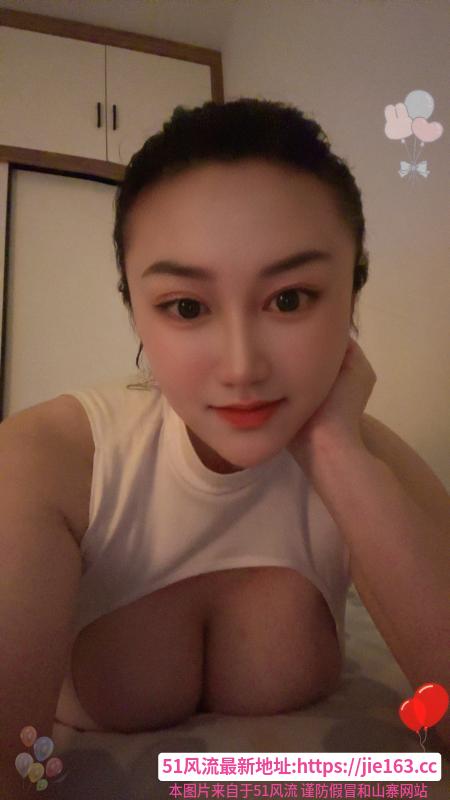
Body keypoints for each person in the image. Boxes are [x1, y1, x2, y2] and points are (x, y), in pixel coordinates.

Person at [1, 99, 449, 793]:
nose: (241, 368)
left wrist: (336, 452)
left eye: (291, 299)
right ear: (135, 310)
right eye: (186, 307)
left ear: (352, 294)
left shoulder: (371, 464)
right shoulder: (44, 461)